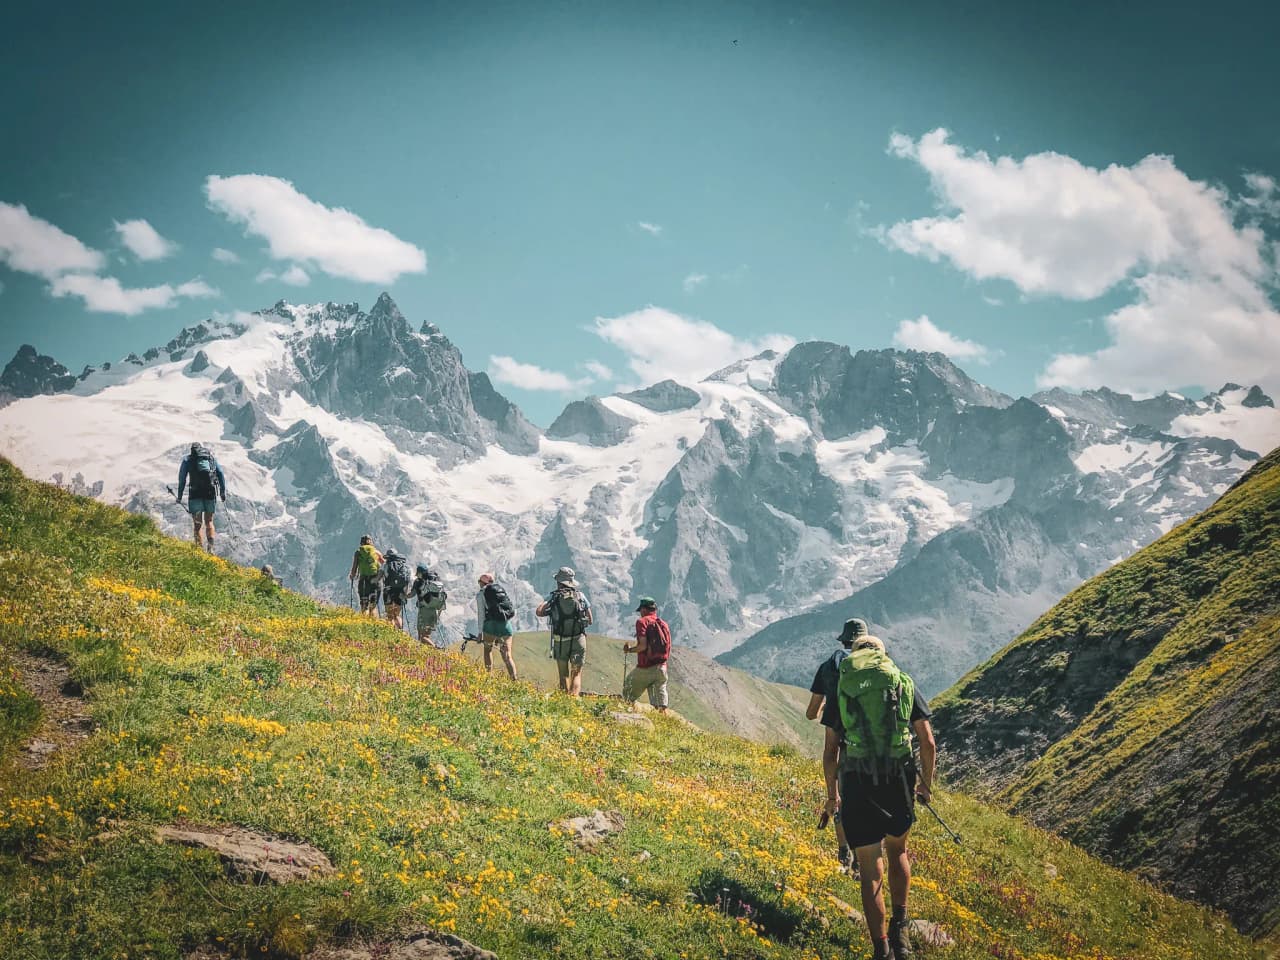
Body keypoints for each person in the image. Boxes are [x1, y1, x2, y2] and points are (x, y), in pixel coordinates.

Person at [837, 635, 936, 960]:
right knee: (898, 851)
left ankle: (881, 948)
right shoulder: (902, 682)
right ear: (883, 655)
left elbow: (830, 748)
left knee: (869, 868)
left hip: (857, 779)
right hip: (897, 779)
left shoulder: (845, 684)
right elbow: (928, 742)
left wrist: (831, 793)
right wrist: (925, 786)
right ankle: (901, 932)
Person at [806, 617, 868, 873]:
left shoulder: (829, 666)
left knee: (833, 765)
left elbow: (811, 713)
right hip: (867, 739)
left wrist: (827, 706)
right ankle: (864, 856)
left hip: (836, 731)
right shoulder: (878, 667)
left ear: (843, 641)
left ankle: (844, 848)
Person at [535, 566, 593, 696]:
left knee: (563, 675)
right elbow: (590, 620)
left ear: (558, 582)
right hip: (578, 639)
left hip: (560, 641)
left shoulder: (554, 596)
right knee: (576, 673)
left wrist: (550, 608)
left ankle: (564, 700)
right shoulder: (580, 596)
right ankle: (574, 700)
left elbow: (539, 611)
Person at [622, 596, 670, 713]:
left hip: (646, 667)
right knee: (660, 704)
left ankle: (630, 714)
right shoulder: (664, 624)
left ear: (643, 609)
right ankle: (662, 720)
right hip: (662, 668)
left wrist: (630, 650)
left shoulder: (642, 622)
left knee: (628, 690)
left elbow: (642, 646)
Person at [176, 442, 226, 552]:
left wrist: (179, 496)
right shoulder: (210, 458)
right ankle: (210, 549)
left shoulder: (187, 460)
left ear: (191, 450)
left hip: (195, 493)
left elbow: (182, 479)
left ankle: (199, 551)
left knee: (197, 524)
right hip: (210, 492)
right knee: (209, 521)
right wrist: (222, 492)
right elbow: (220, 473)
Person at [475, 573, 517, 680]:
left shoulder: (481, 594)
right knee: (507, 655)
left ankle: (489, 677)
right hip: (505, 625)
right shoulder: (500, 590)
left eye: (479, 581)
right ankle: (514, 680)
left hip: (490, 626)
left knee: (488, 650)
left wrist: (480, 633)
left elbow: (481, 614)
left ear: (482, 583)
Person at [409, 564, 448, 646]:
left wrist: (403, 595)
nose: (417, 575)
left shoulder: (418, 581)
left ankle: (435, 648)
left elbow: (411, 594)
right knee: (426, 635)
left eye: (417, 573)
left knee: (422, 636)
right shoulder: (435, 580)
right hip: (434, 610)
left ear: (420, 573)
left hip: (424, 611)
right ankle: (425, 650)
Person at [348, 535, 384, 617]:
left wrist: (352, 575)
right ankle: (373, 623)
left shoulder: (358, 552)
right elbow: (385, 565)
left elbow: (354, 568)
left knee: (364, 605)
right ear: (371, 542)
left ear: (361, 543)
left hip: (363, 581)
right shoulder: (377, 552)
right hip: (375, 581)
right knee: (373, 606)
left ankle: (365, 622)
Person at [381, 548, 411, 629]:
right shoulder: (404, 566)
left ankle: (390, 632)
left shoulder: (386, 565)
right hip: (400, 592)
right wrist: (404, 594)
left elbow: (379, 577)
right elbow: (407, 581)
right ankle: (399, 631)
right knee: (397, 614)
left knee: (389, 614)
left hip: (388, 591)